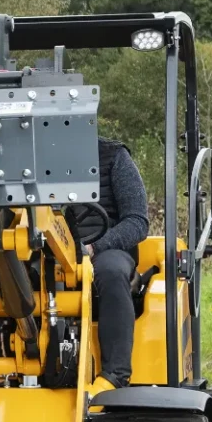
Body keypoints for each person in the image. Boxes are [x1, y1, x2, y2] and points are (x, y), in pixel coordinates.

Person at [90, 137, 149, 389]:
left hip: (106, 249)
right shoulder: (29, 158)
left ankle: (115, 374)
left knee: (111, 271)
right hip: (46, 250)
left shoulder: (114, 156)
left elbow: (137, 221)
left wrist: (95, 246)